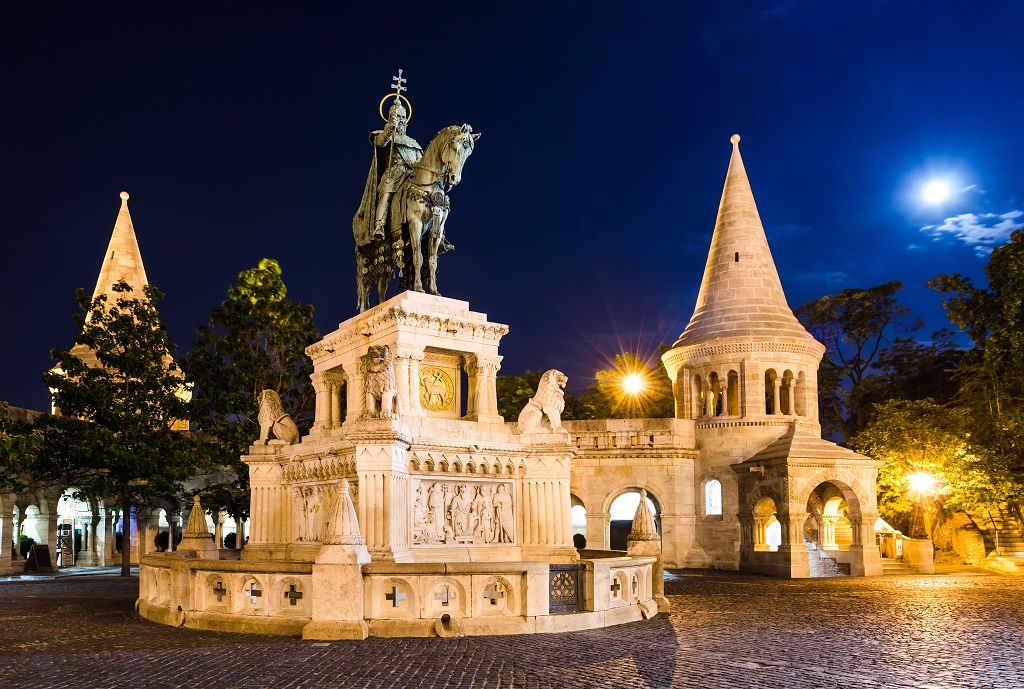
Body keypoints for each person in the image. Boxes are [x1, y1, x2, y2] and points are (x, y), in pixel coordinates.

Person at [353, 98, 423, 247]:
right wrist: (389, 130)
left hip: (411, 175)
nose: (401, 120)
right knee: (386, 194)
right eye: (397, 117)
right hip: (393, 174)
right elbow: (380, 143)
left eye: (403, 117)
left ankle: (437, 234)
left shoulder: (413, 143)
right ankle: (379, 225)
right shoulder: (383, 134)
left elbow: (420, 162)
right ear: (390, 118)